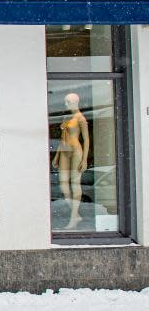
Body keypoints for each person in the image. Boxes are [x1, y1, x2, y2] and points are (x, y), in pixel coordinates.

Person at [53, 92, 89, 229]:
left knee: (75, 184)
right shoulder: (66, 117)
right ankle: (76, 213)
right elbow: (62, 139)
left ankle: (73, 218)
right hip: (64, 151)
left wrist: (84, 159)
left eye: (68, 102)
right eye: (65, 101)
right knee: (63, 185)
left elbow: (86, 140)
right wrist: (56, 156)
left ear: (75, 102)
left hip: (75, 151)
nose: (65, 104)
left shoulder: (80, 118)